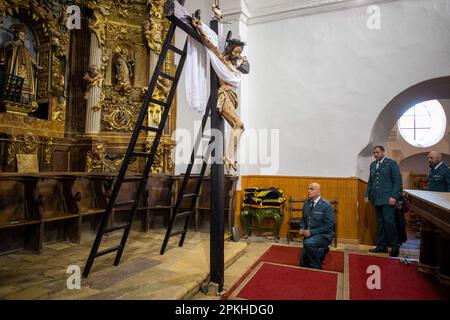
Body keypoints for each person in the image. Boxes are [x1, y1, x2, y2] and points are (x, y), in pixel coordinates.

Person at [191, 12, 250, 173]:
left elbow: (246, 68)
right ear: (230, 49)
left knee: (239, 126)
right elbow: (211, 45)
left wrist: (239, 62)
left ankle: (228, 155)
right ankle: (228, 156)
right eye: (236, 51)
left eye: (239, 52)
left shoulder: (233, 64)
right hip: (223, 95)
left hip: (230, 95)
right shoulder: (222, 60)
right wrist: (200, 29)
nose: (237, 55)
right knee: (239, 125)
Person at [365, 146, 402, 257]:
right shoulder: (372, 165)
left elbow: (397, 181)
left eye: (377, 152)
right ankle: (381, 246)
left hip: (388, 199)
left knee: (389, 223)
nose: (375, 154)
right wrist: (367, 194)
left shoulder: (391, 163)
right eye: (374, 153)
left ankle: (395, 246)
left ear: (383, 152)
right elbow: (370, 181)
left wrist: (394, 196)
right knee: (380, 223)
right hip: (376, 199)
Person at [1, 23, 41, 103]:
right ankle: (11, 98)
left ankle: (24, 99)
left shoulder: (25, 49)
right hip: (15, 67)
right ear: (16, 35)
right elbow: (6, 50)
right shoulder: (11, 44)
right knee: (14, 82)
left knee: (25, 83)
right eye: (21, 35)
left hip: (25, 69)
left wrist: (36, 65)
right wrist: (15, 44)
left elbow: (30, 58)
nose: (23, 37)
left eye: (24, 35)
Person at [299, 183, 335, 269]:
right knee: (302, 263)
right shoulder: (306, 203)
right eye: (308, 188)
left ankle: (316, 265)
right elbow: (303, 219)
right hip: (310, 235)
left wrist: (311, 232)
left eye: (312, 189)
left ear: (318, 192)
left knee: (308, 243)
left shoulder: (326, 205)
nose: (308, 191)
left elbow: (329, 226)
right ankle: (321, 251)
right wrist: (302, 228)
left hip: (324, 235)